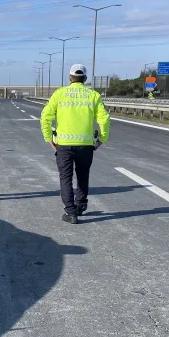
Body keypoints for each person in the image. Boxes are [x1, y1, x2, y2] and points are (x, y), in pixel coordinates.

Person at [40, 64, 110, 224]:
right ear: (85, 79)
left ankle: (71, 212)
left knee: (66, 178)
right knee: (83, 175)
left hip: (63, 145)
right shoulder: (93, 95)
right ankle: (81, 205)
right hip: (86, 145)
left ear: (70, 78)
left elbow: (45, 117)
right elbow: (104, 119)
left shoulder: (59, 94)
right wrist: (102, 139)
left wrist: (49, 138)